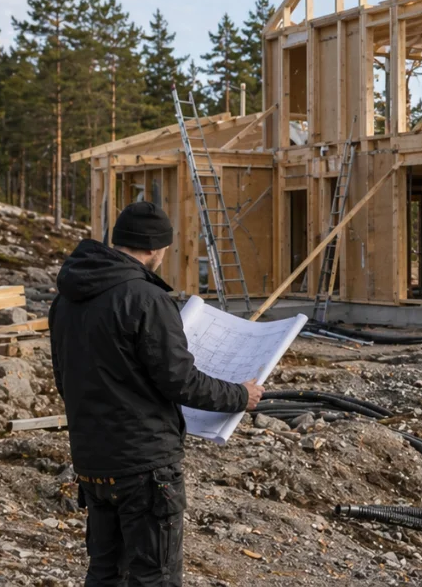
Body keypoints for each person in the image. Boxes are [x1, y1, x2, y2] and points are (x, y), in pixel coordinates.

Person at [50, 201, 264, 586]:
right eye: (164, 249)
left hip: (93, 463)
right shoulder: (146, 299)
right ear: (153, 249)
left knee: (105, 572)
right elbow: (180, 381)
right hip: (145, 468)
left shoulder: (66, 298)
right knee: (156, 577)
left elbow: (64, 379)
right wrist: (239, 395)